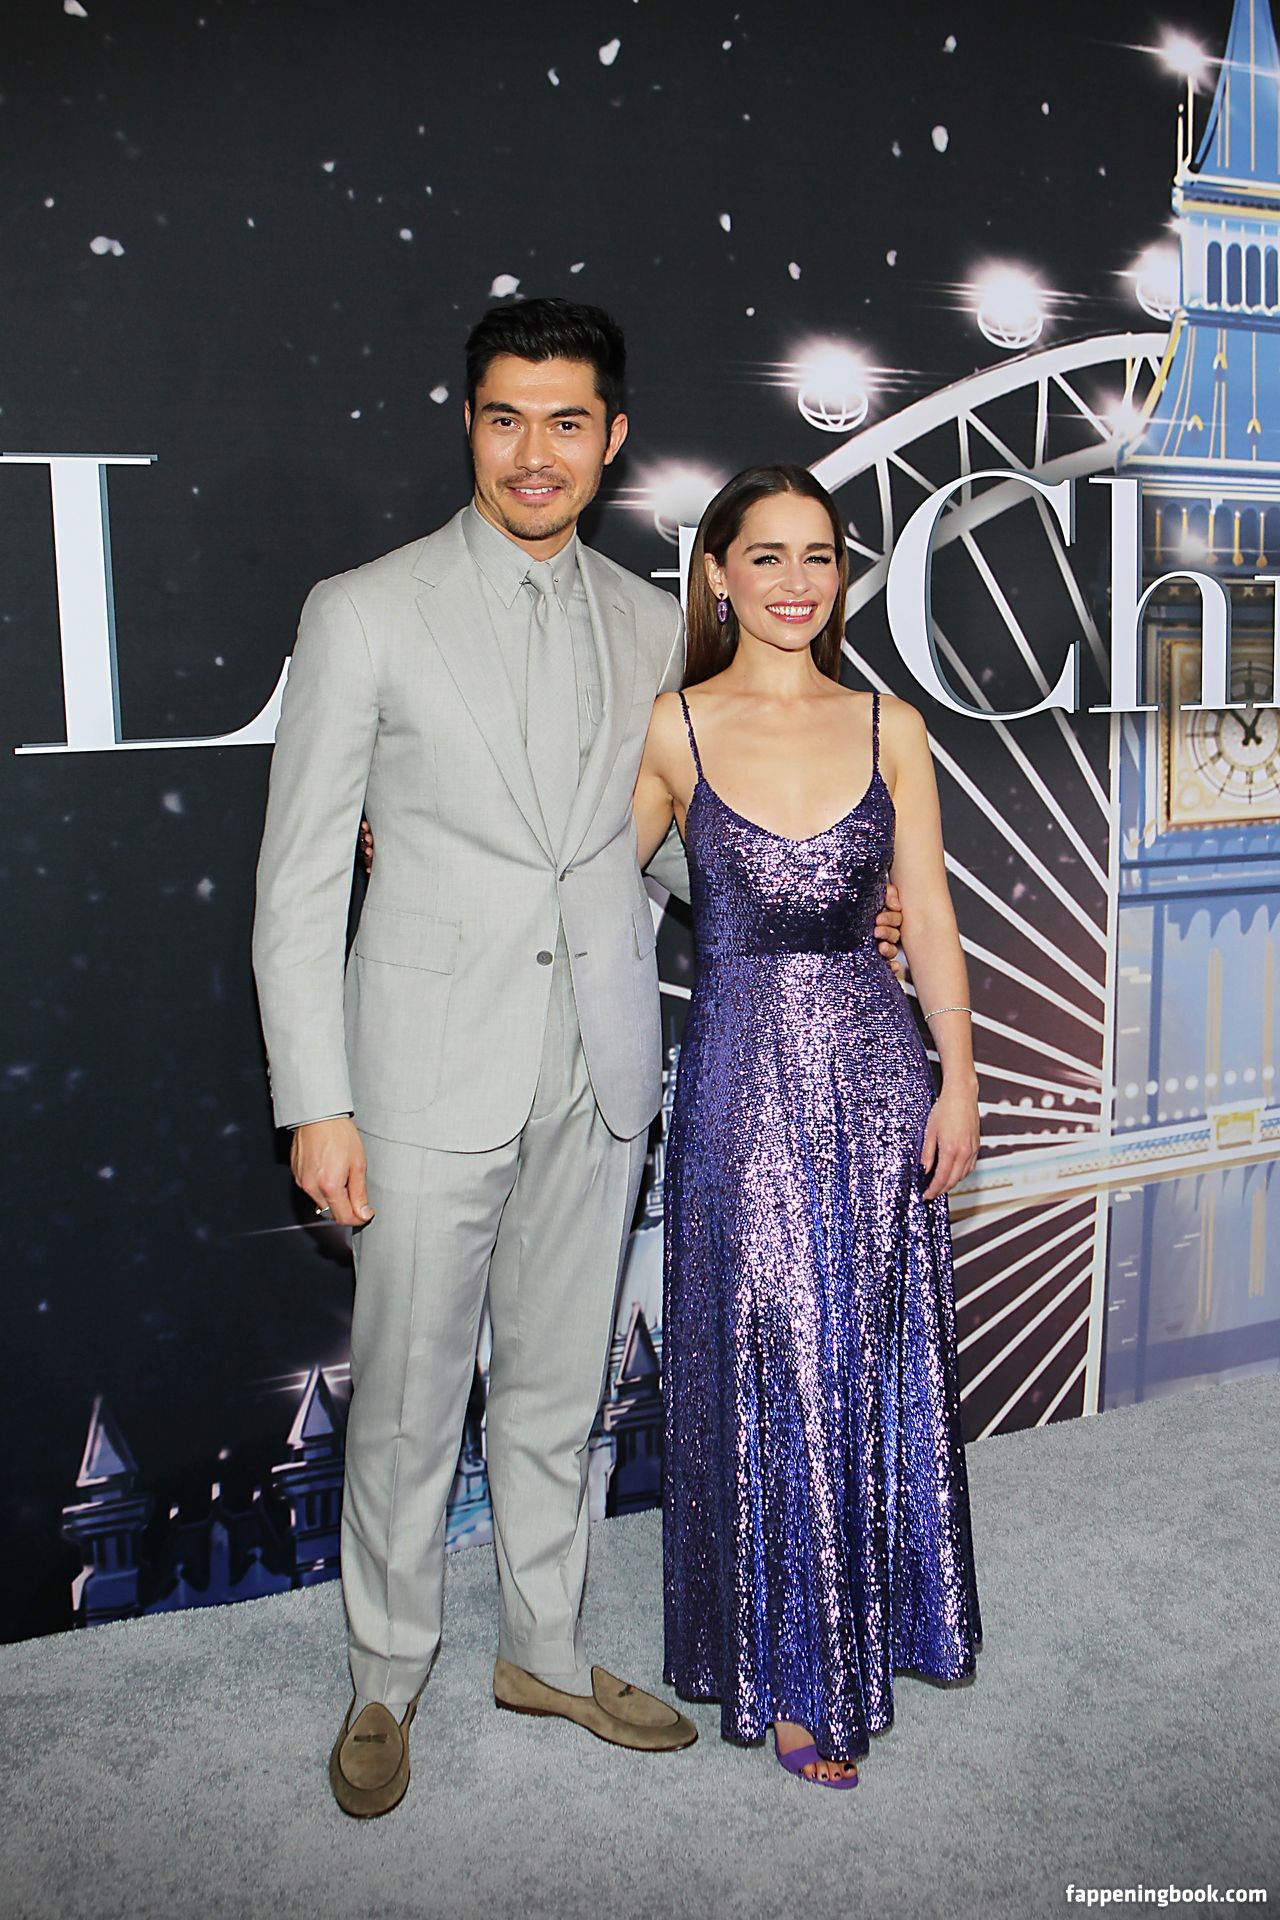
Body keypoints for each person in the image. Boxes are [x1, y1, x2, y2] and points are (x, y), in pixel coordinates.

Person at [253, 295, 908, 1816]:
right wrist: (316, 1101)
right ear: (469, 427)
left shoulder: (652, 625)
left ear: (612, 439)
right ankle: (386, 1675)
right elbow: (298, 880)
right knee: (409, 1398)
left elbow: (659, 848)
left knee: (560, 1388)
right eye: (506, 419)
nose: (534, 454)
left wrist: (817, 912)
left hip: (604, 1063)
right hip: (422, 1070)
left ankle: (542, 1649)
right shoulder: (364, 610)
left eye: (565, 422)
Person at [632, 464, 983, 1789]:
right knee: (772, 1353)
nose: (795, 582)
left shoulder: (891, 724)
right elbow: (575, 874)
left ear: (843, 576)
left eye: (819, 556)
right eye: (766, 556)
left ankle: (873, 1625)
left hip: (878, 1075)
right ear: (717, 574)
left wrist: (959, 1076)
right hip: (737, 1088)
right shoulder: (675, 727)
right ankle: (790, 1669)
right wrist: (426, 849)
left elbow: (927, 911)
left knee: (868, 1349)